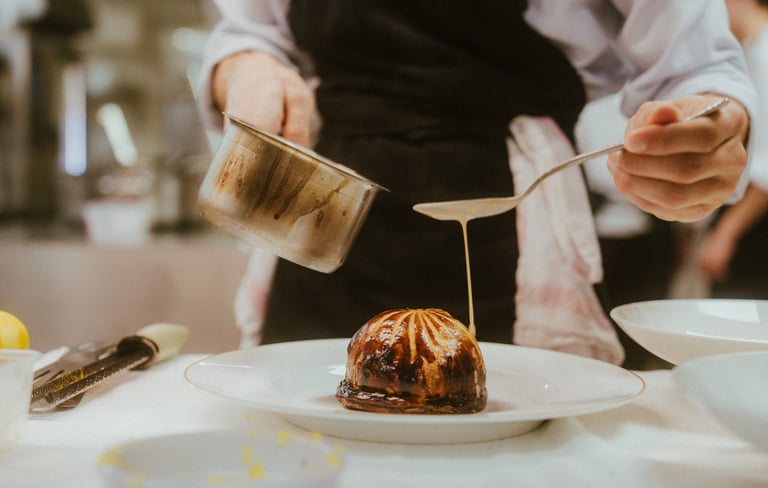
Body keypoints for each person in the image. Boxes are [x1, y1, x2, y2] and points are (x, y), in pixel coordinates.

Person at [197, 1, 756, 360]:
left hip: (514, 225)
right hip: (322, 225)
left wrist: (709, 131)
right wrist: (247, 67)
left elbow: (699, 70)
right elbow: (248, 32)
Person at [697, 0, 768, 297]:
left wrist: (726, 232)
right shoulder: (752, 51)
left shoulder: (764, 53)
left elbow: (766, 168)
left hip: (755, 225)